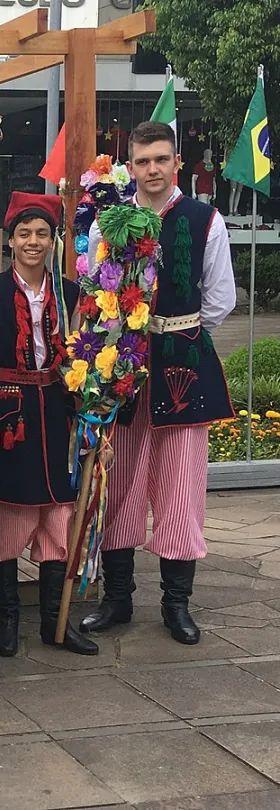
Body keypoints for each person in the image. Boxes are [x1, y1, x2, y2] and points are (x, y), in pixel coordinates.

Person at [80, 121, 236, 645]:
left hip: (182, 366)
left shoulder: (205, 219)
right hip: (122, 364)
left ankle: (176, 604)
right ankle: (117, 598)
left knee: (180, 486)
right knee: (119, 482)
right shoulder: (108, 222)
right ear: (131, 166)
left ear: (177, 163)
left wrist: (178, 331)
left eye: (161, 159)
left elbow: (220, 298)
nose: (152, 170)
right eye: (143, 161)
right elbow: (93, 287)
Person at [0, 192, 98, 658]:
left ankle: (55, 623)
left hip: (59, 410)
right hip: (7, 412)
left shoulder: (72, 293)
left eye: (42, 233)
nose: (33, 242)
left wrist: (92, 418)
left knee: (60, 511)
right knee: (8, 513)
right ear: (10, 240)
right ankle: (8, 620)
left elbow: (87, 359)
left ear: (54, 240)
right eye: (24, 234)